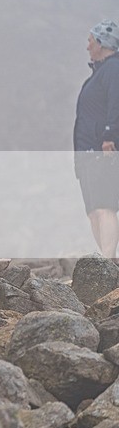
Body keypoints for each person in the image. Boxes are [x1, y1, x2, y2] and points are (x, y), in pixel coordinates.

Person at [74, 20, 119, 260]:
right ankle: (106, 261)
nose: (88, 47)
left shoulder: (113, 69)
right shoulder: (96, 76)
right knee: (93, 211)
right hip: (87, 152)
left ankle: (109, 261)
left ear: (102, 43)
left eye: (91, 42)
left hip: (103, 150)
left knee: (105, 206)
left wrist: (110, 135)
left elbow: (116, 102)